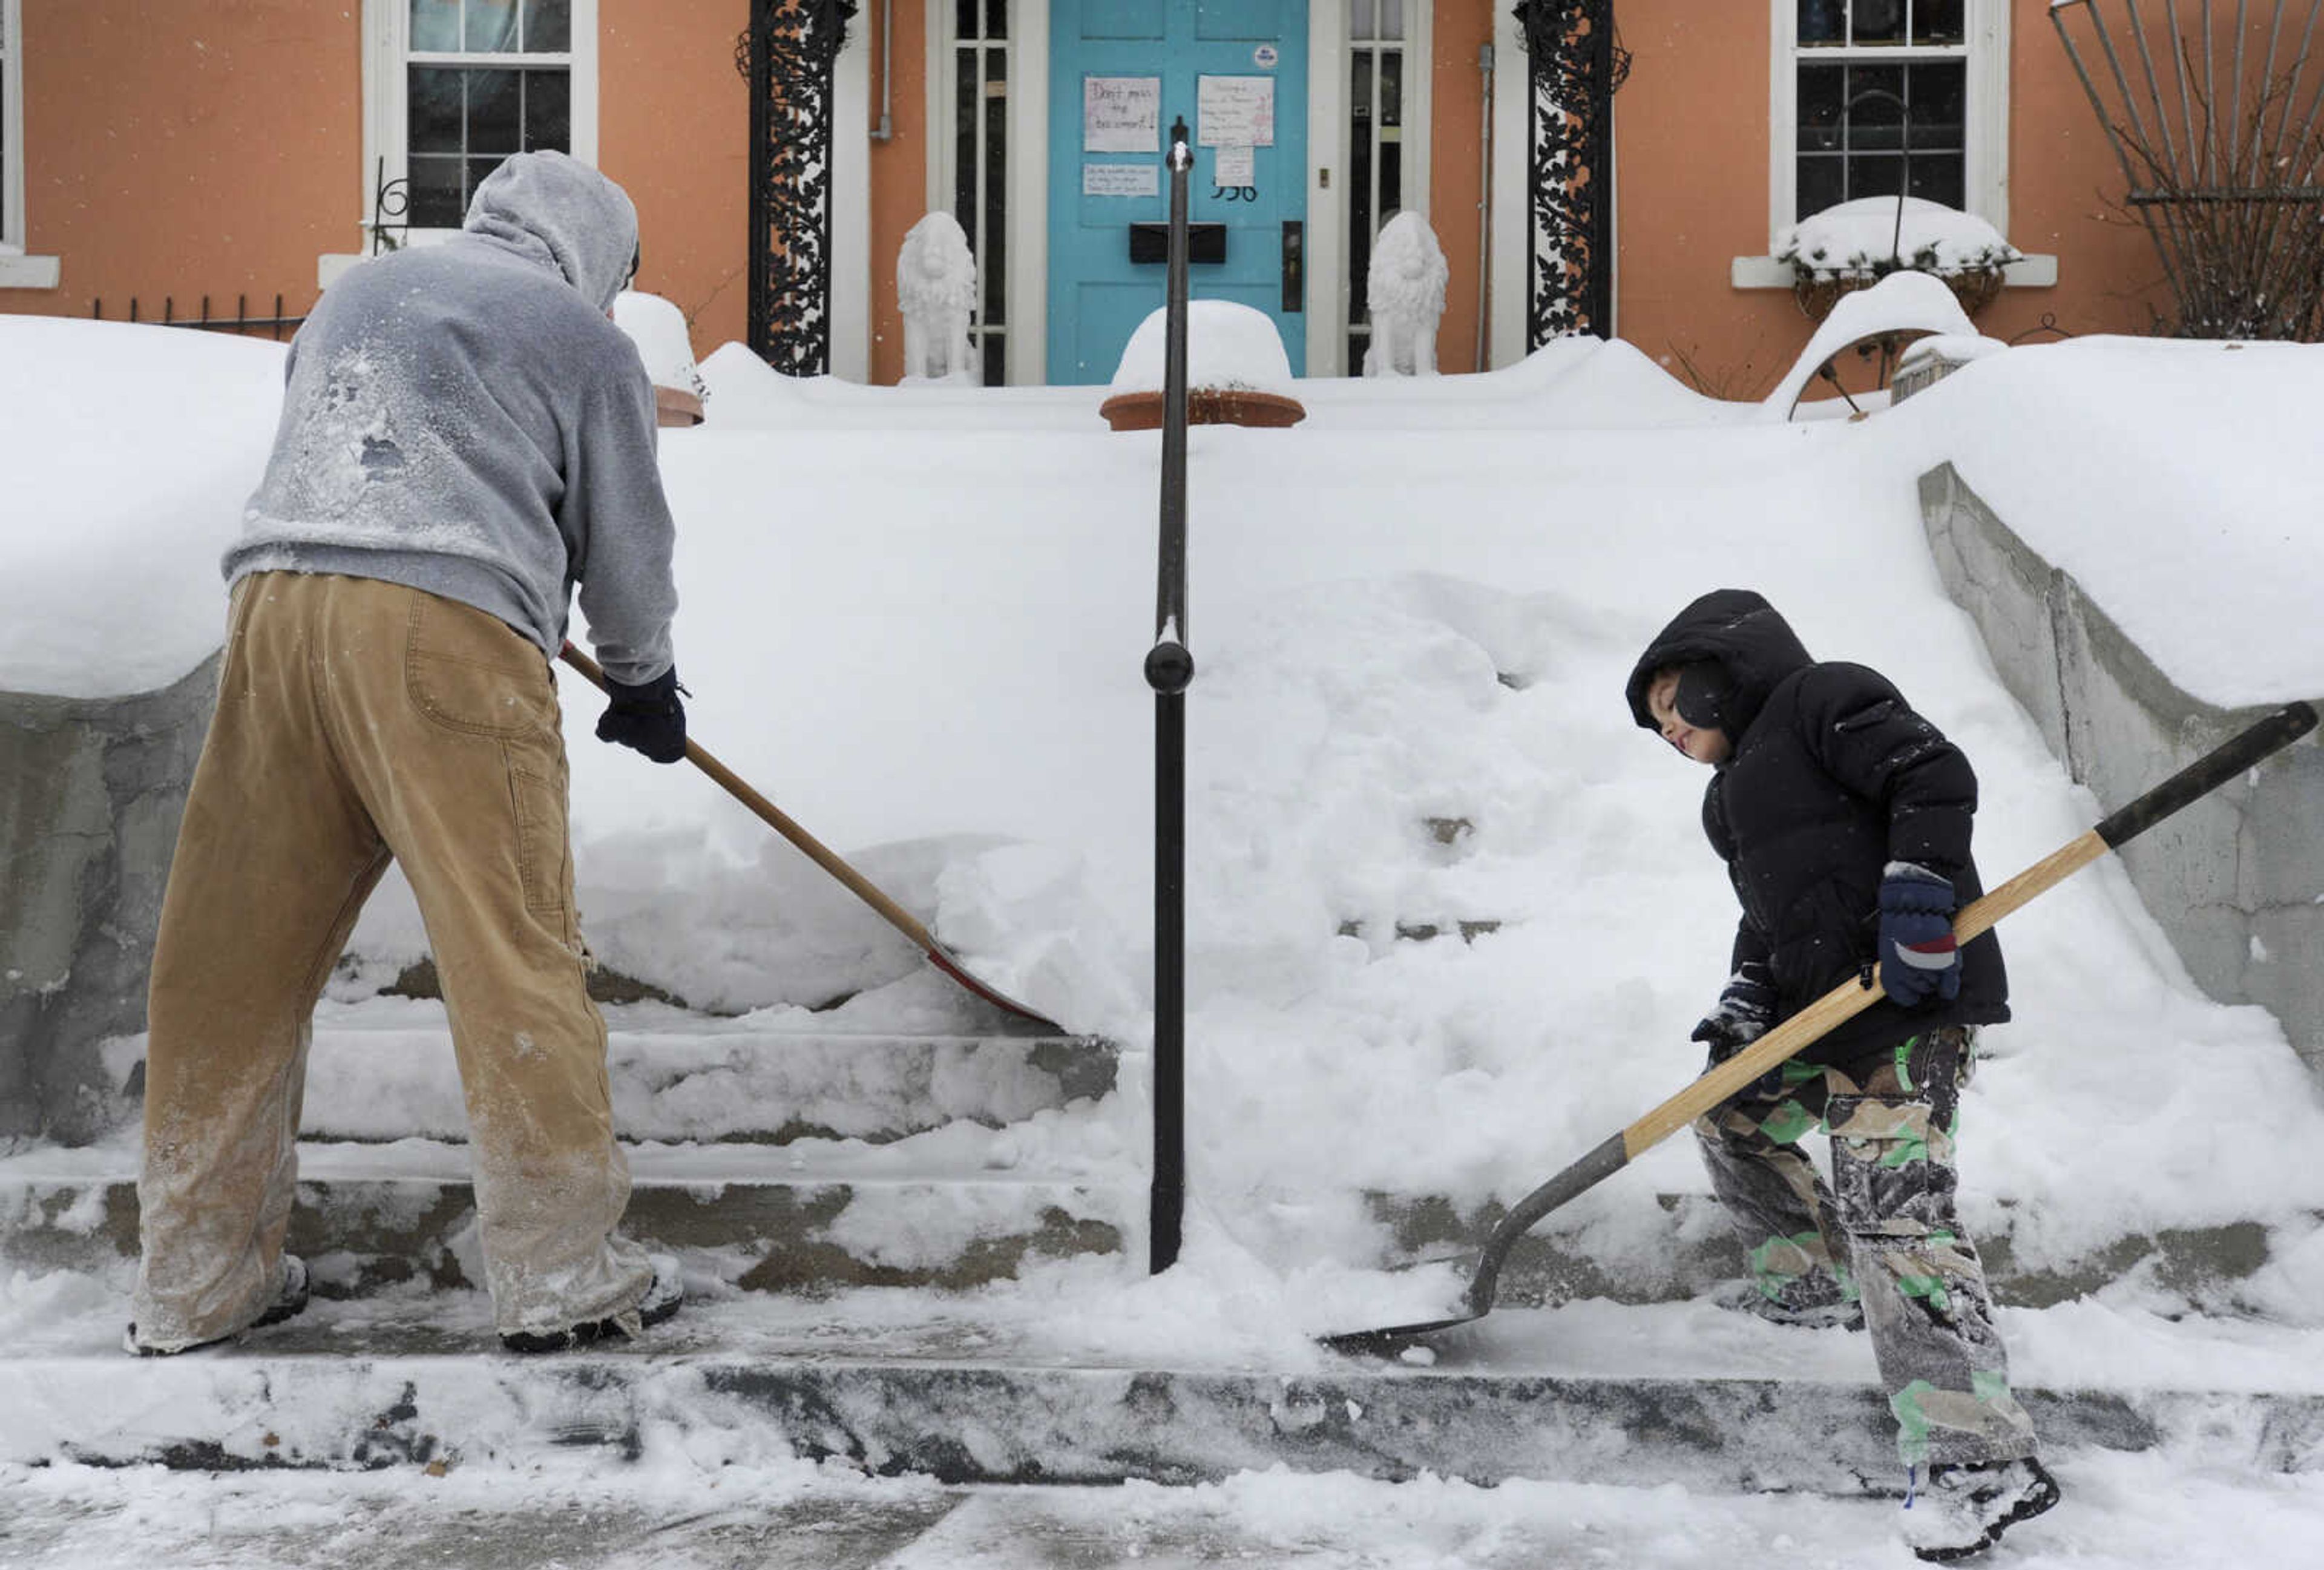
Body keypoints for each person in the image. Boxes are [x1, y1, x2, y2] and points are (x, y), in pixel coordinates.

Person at [130, 150, 691, 1358]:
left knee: (227, 963)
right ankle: (561, 1274)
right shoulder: (586, 342)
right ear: (600, 255)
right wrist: (644, 679)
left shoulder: (360, 296)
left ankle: (195, 1277)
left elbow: (345, 447)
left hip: (276, 611)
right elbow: (628, 544)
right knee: (510, 955)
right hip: (445, 634)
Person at [1624, 588, 2059, 1563]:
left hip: (1908, 1006)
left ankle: (1978, 1458)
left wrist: (1918, 889)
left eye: (1673, 709)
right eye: (1659, 729)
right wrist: (1746, 995)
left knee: (1893, 1208)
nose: (1672, 733)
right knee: (1733, 1117)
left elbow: (1932, 773)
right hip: (1824, 1020)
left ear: (1713, 674)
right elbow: (1769, 919)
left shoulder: (1827, 697)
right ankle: (1812, 1288)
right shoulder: (1726, 798)